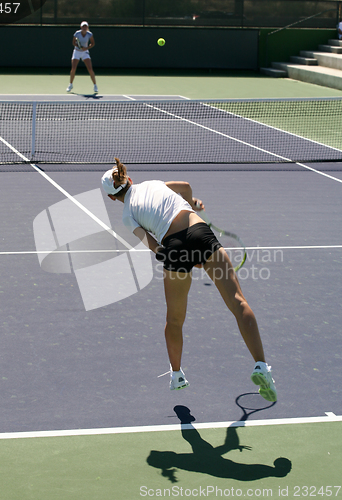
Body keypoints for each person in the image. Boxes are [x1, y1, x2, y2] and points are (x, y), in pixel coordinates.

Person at [101, 158, 277, 402]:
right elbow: (184, 186)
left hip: (173, 246)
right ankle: (261, 366)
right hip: (198, 230)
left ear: (112, 198)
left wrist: (182, 256)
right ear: (128, 179)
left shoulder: (127, 216)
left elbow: (156, 248)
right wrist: (192, 203)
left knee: (174, 319)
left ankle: (177, 375)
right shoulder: (154, 183)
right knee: (238, 301)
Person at [66, 21, 98, 93]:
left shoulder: (90, 34)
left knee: (90, 69)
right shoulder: (77, 33)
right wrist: (79, 46)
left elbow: (92, 43)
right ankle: (70, 84)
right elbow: (73, 42)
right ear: (81, 27)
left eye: (85, 26)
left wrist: (85, 48)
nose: (84, 28)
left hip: (85, 52)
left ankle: (95, 85)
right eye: (83, 26)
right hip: (77, 52)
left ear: (87, 27)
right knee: (73, 69)